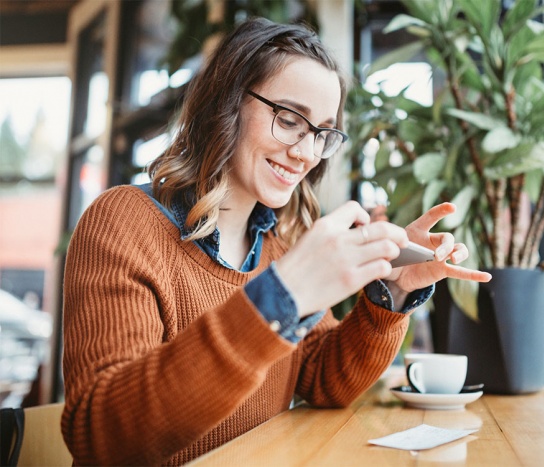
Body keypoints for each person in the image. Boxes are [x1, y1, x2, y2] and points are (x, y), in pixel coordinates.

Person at [60, 17, 491, 466]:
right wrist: (279, 298)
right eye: (288, 120)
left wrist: (394, 293)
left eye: (322, 133)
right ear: (225, 104)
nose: (305, 152)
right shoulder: (123, 222)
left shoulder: (280, 243)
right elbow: (101, 433)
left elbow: (324, 379)